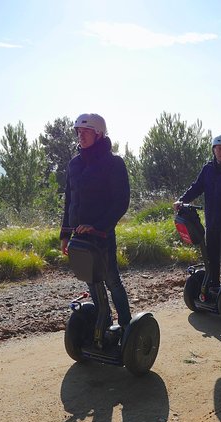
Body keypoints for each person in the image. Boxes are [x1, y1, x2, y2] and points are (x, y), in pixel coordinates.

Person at [60, 113, 132, 327]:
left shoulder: (113, 164)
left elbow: (121, 202)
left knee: (112, 281)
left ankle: (127, 328)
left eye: (86, 132)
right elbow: (69, 200)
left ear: (99, 134)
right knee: (91, 280)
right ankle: (104, 324)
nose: (81, 136)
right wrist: (65, 234)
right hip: (78, 236)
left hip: (102, 234)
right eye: (79, 132)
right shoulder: (74, 164)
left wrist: (98, 226)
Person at [174, 134, 221, 292]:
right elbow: (197, 187)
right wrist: (182, 200)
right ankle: (214, 286)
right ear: (214, 150)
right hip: (213, 222)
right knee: (211, 256)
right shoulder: (208, 169)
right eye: (219, 149)